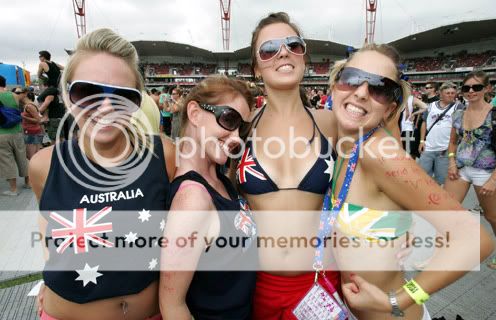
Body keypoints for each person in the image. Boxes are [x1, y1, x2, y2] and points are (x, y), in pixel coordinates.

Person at [326, 44, 493, 319]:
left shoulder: (380, 153)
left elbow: (476, 240)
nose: (362, 92)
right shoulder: (348, 143)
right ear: (335, 84)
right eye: (352, 77)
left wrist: (397, 300)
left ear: (390, 107)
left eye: (380, 87)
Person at [29, 28, 176, 320]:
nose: (106, 106)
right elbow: (48, 228)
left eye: (123, 95)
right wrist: (49, 277)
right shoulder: (44, 165)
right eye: (87, 91)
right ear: (67, 94)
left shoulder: (164, 155)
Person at [235, 12, 342, 318]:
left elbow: (364, 191)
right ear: (257, 67)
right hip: (257, 286)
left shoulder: (331, 124)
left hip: (322, 283)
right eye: (269, 49)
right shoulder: (240, 130)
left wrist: (392, 233)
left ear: (303, 57)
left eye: (293, 44)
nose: (283, 52)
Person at [160, 76, 257, 320]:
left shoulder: (220, 178)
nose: (235, 137)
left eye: (241, 128)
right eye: (229, 119)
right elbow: (172, 307)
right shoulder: (193, 199)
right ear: (194, 113)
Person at [446, 71, 496, 271]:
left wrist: (494, 179)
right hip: (460, 168)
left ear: (487, 88)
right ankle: (438, 252)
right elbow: (453, 141)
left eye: (476, 87)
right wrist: (451, 162)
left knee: (493, 216)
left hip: (487, 171)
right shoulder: (458, 112)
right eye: (466, 87)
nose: (470, 91)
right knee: (444, 211)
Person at [418, 82, 463, 185]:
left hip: (445, 149)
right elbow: (424, 123)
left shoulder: (458, 106)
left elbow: (459, 128)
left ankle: (434, 198)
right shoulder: (431, 106)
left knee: (441, 180)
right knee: (422, 176)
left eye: (453, 93)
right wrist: (421, 140)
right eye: (448, 93)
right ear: (441, 94)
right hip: (428, 147)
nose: (451, 95)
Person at [0, 87, 30, 196]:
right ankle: (28, 182)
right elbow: (28, 103)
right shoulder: (14, 95)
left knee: (7, 161)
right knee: (22, 156)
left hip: (1, 134)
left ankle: (13, 189)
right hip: (17, 131)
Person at [37, 78, 65, 143]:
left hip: (54, 120)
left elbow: (44, 106)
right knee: (62, 139)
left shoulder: (50, 94)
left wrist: (37, 112)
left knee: (55, 141)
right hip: (60, 118)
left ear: (44, 85)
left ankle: (57, 152)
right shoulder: (58, 93)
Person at [21, 90, 44, 159]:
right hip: (33, 131)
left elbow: (38, 120)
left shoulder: (29, 106)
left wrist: (23, 116)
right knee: (35, 154)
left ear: (24, 95)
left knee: (31, 156)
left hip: (31, 132)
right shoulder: (29, 105)